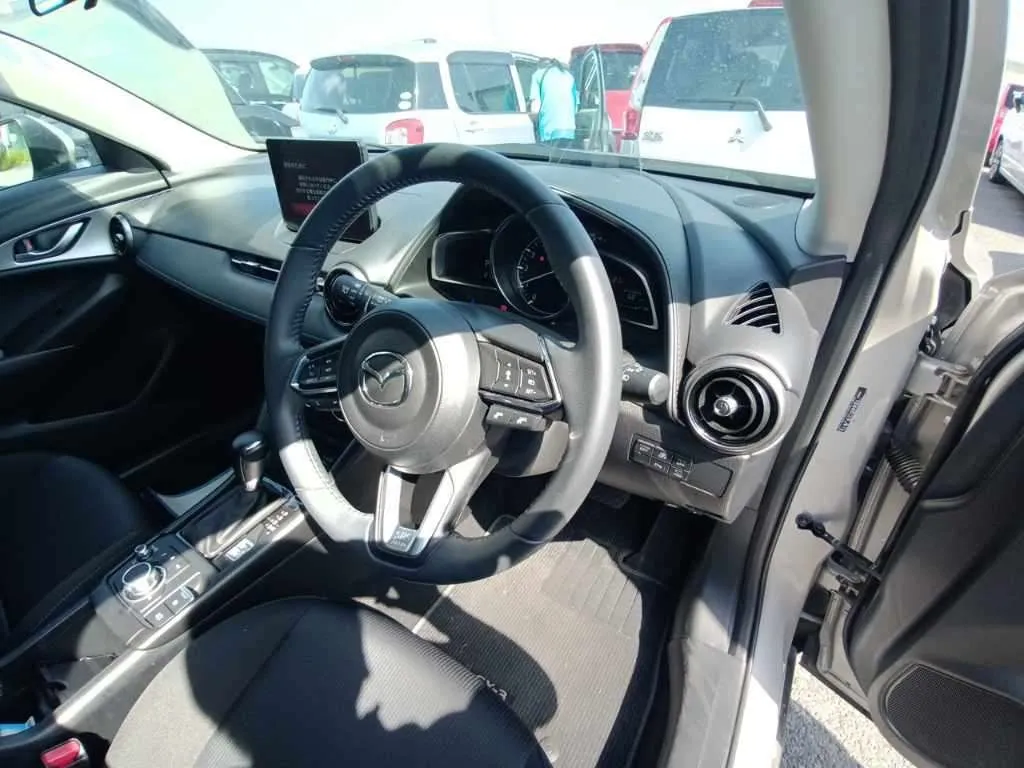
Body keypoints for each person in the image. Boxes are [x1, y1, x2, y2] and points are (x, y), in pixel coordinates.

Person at [529, 58, 579, 148]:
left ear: (539, 66)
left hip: (549, 131)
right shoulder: (569, 76)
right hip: (569, 131)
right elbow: (575, 108)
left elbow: (535, 109)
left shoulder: (538, 75)